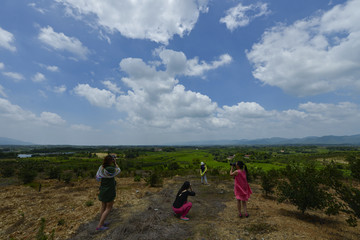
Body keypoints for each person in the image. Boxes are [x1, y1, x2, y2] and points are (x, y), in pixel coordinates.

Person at [95, 154, 121, 230]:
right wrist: (115, 163)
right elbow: (118, 170)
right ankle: (100, 226)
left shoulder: (102, 168)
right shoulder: (110, 169)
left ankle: (102, 222)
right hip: (109, 190)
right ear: (110, 161)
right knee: (109, 207)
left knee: (103, 206)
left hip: (103, 189)